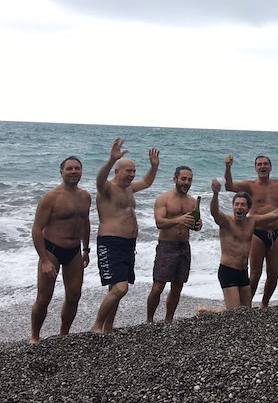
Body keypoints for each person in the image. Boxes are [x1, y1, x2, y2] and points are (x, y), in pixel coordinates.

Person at [91, 138, 159, 334]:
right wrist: (111, 159)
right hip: (110, 243)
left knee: (115, 287)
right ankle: (97, 325)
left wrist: (154, 167)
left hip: (128, 244)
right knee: (121, 288)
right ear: (117, 172)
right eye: (128, 171)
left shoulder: (128, 188)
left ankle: (108, 328)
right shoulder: (106, 189)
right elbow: (99, 179)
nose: (132, 174)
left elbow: (146, 182)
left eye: (134, 171)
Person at [224, 154, 278, 307]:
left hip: (275, 233)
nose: (263, 167)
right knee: (255, 273)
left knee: (273, 274)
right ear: (255, 168)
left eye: (265, 164)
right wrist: (228, 167)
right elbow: (229, 186)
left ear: (270, 167)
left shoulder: (277, 184)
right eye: (259, 164)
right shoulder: (250, 185)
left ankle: (264, 304)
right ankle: (246, 305)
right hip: (257, 233)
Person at [210, 178, 278, 309]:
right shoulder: (226, 222)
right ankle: (215, 313)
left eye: (243, 205)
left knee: (246, 312)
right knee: (235, 313)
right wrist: (215, 194)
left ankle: (211, 311)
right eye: (237, 204)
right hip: (228, 271)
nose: (239, 207)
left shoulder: (252, 221)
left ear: (248, 208)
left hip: (243, 272)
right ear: (233, 206)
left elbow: (275, 214)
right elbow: (214, 212)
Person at [30, 156, 91, 343]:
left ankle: (63, 335)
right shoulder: (51, 197)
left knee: (74, 296)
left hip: (74, 252)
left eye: (77, 168)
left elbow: (85, 223)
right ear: (61, 172)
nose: (73, 172)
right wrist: (45, 261)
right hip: (52, 251)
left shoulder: (85, 196)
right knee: (44, 297)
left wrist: (86, 249)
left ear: (81, 171)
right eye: (69, 168)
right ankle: (34, 336)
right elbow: (36, 229)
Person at [146, 166, 202, 324]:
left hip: (184, 246)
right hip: (167, 246)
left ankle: (168, 320)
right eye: (183, 179)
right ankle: (149, 320)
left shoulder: (192, 201)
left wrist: (198, 225)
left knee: (178, 286)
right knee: (158, 286)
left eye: (189, 179)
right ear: (175, 179)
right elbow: (159, 223)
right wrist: (179, 219)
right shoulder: (164, 199)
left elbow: (197, 224)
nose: (186, 182)